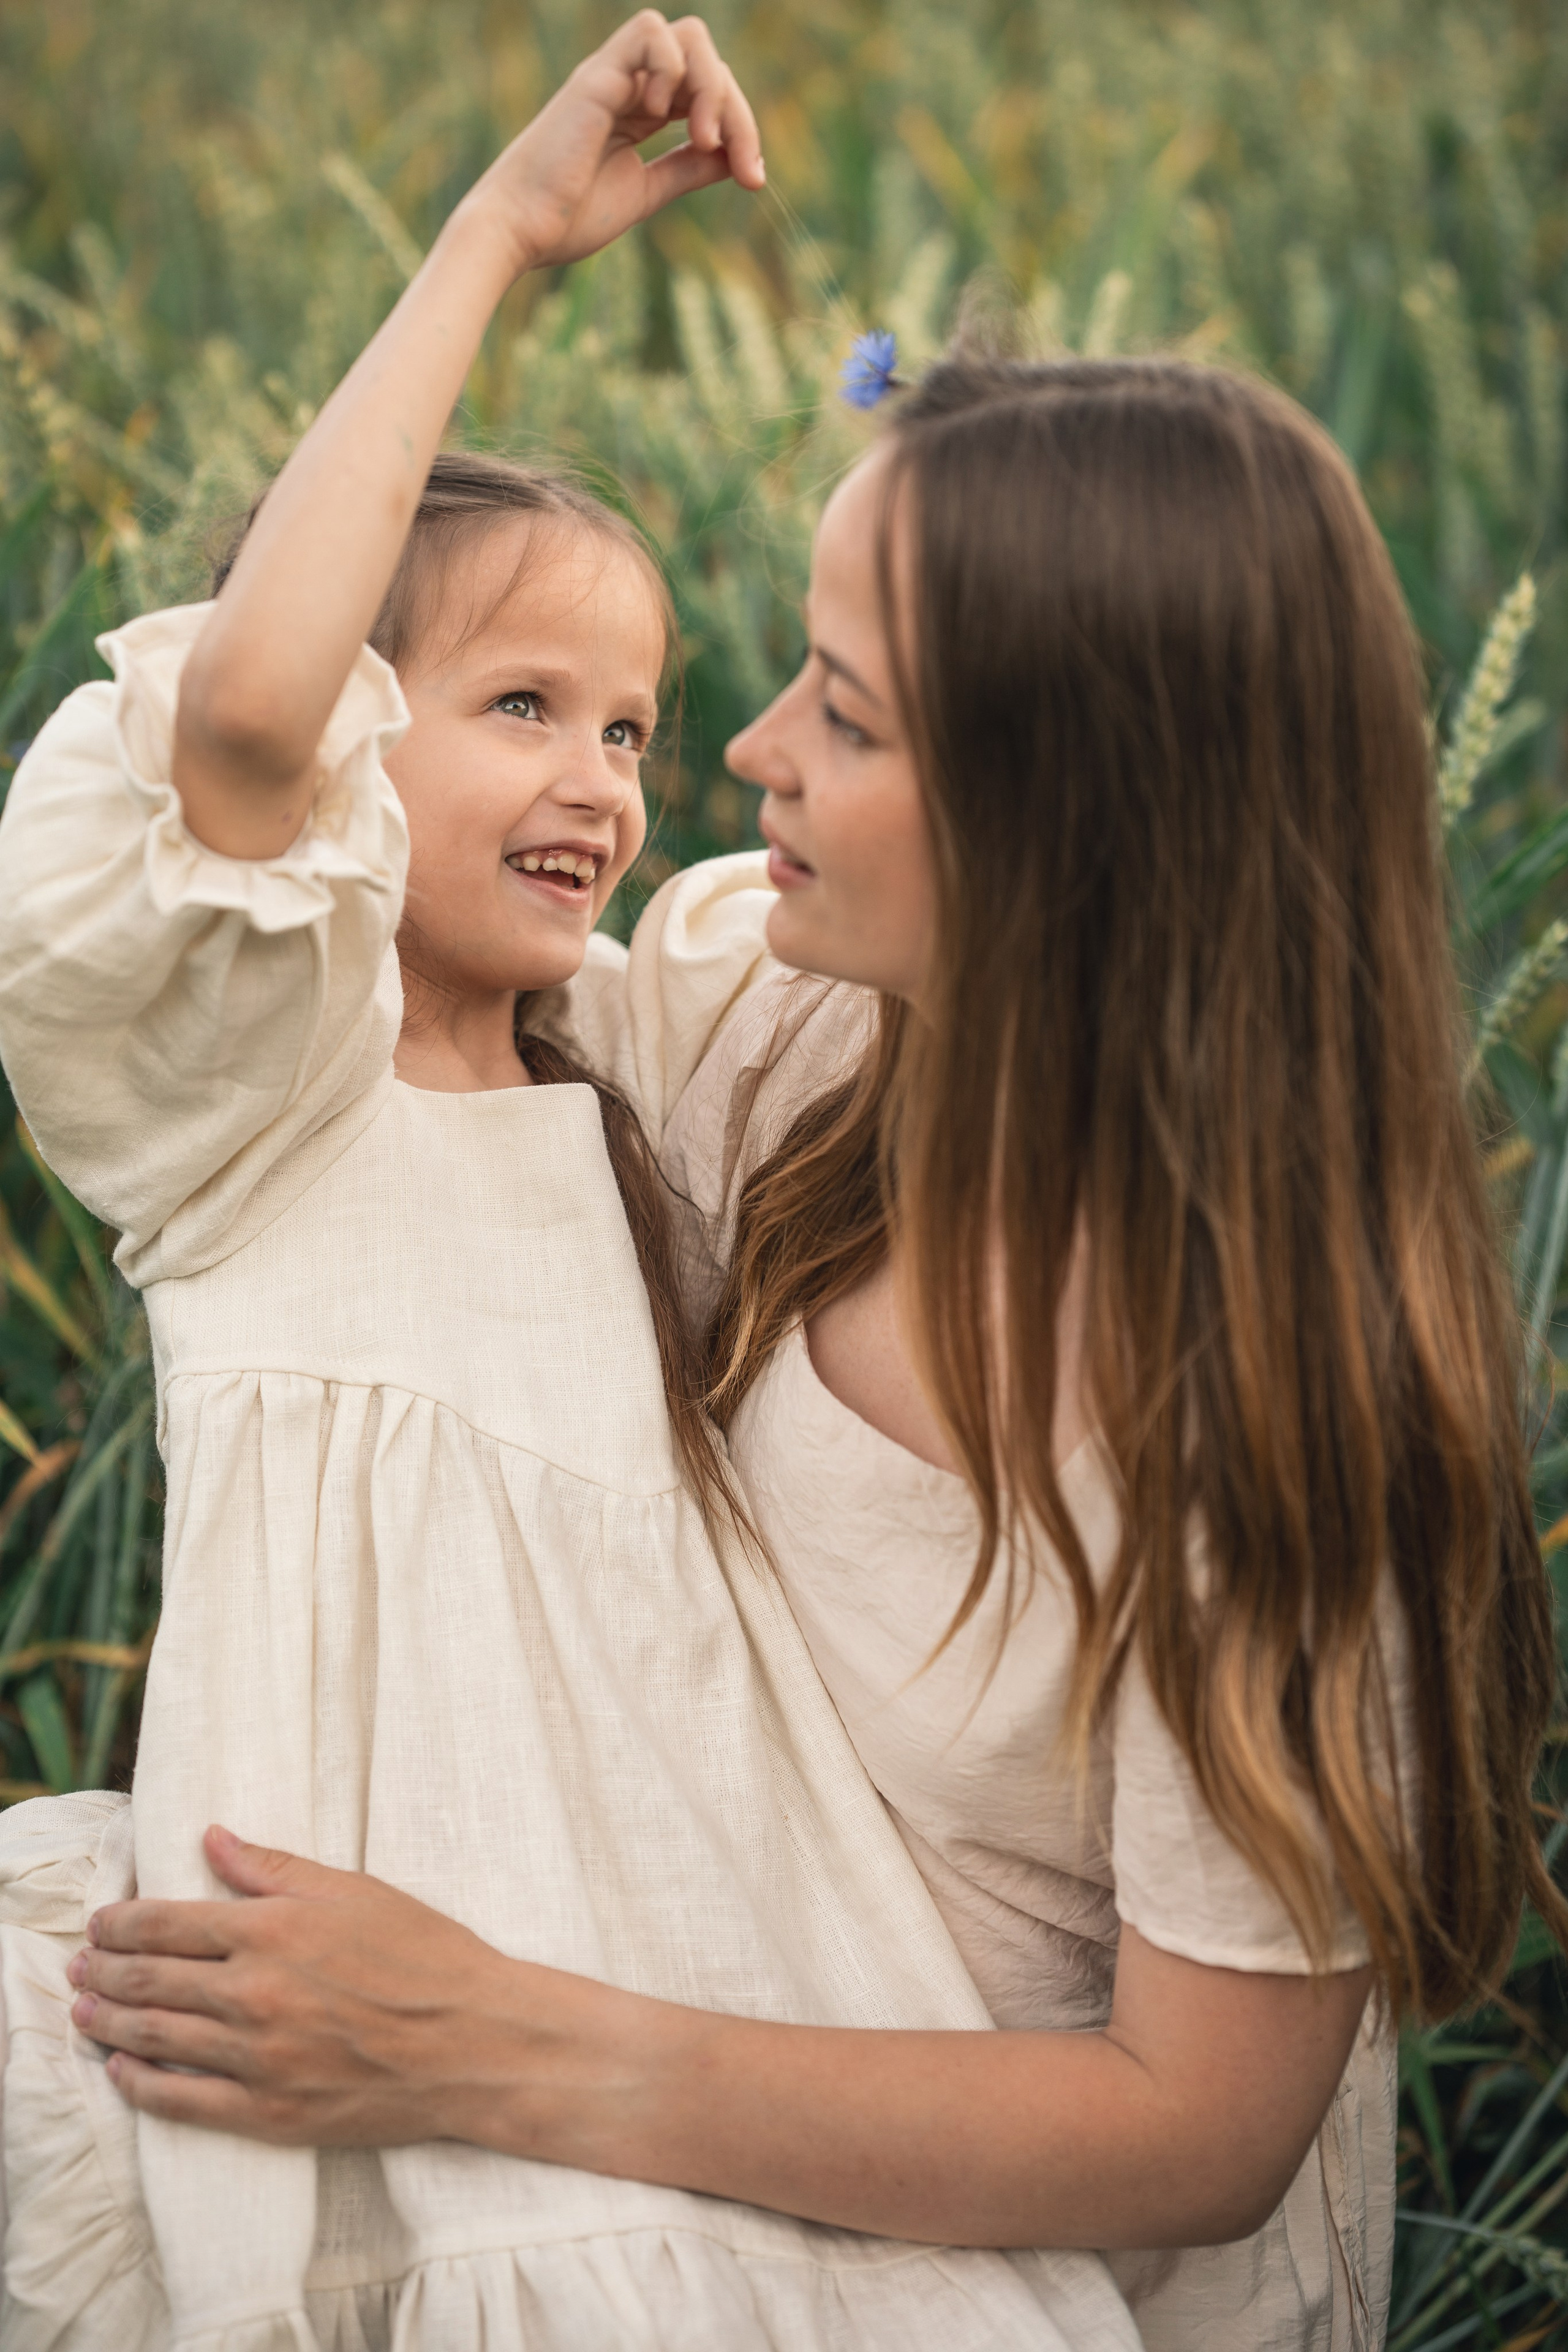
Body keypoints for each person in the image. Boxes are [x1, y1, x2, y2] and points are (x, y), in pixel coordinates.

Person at [60, 347, 1568, 2352]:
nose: (743, 753)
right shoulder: (767, 1033)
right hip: (559, 2136)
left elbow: (1198, 2130)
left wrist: (489, 2043)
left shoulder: (1276, 1440)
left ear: (1072, 816)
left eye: (843, 715)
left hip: (964, 2276)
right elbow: (312, 864)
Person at [0, 22, 1145, 2352]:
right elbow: (236, 725)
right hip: (375, 1994)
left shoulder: (642, 1062)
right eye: (522, 707)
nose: (611, 778)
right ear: (354, 737)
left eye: (630, 725)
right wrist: (496, 237)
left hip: (695, 1954)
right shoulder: (256, 1102)